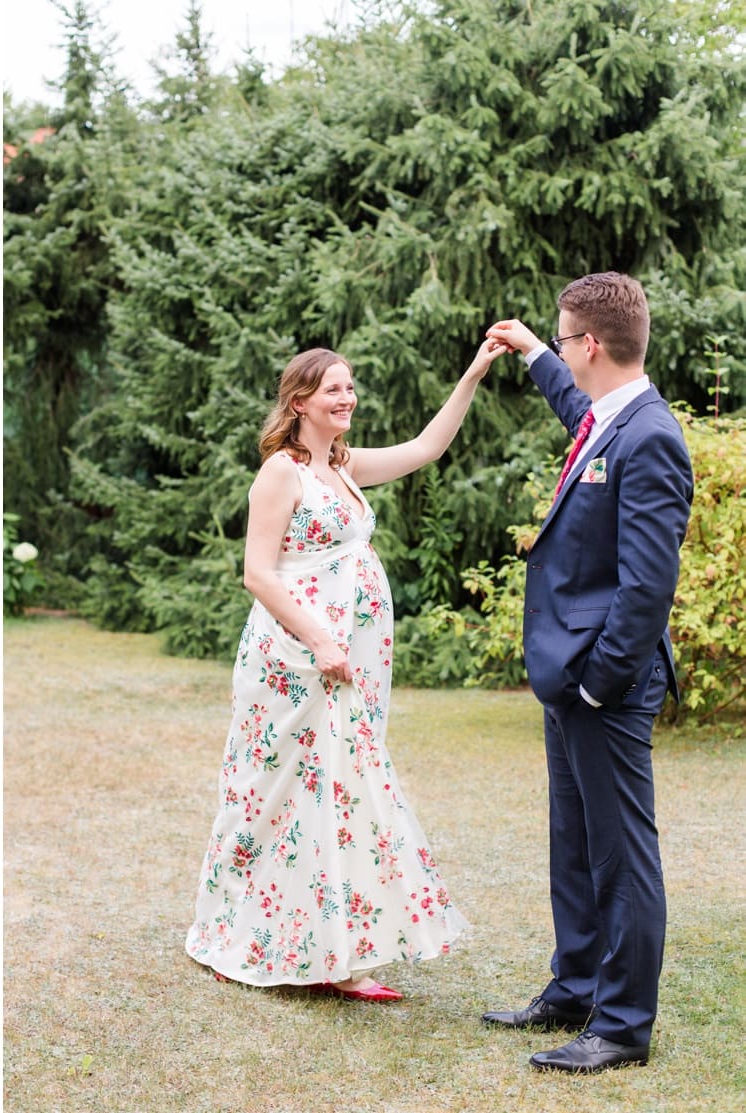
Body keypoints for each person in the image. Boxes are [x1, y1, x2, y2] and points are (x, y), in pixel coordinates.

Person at [186, 339, 505, 1000]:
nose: (347, 397)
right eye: (333, 388)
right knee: (271, 792)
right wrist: (321, 640)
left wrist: (474, 372)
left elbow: (426, 448)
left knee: (341, 792)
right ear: (299, 401)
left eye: (350, 386)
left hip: (348, 662)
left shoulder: (345, 465)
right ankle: (230, 935)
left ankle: (342, 954)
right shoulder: (283, 472)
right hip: (292, 661)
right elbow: (258, 572)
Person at [483, 273, 692, 1073]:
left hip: (605, 684)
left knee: (620, 854)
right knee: (574, 842)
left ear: (593, 345)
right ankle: (574, 987)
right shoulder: (610, 418)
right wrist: (535, 352)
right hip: (569, 680)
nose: (563, 349)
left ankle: (622, 1023)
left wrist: (600, 682)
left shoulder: (651, 436)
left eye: (564, 338)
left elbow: (647, 587)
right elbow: (579, 412)